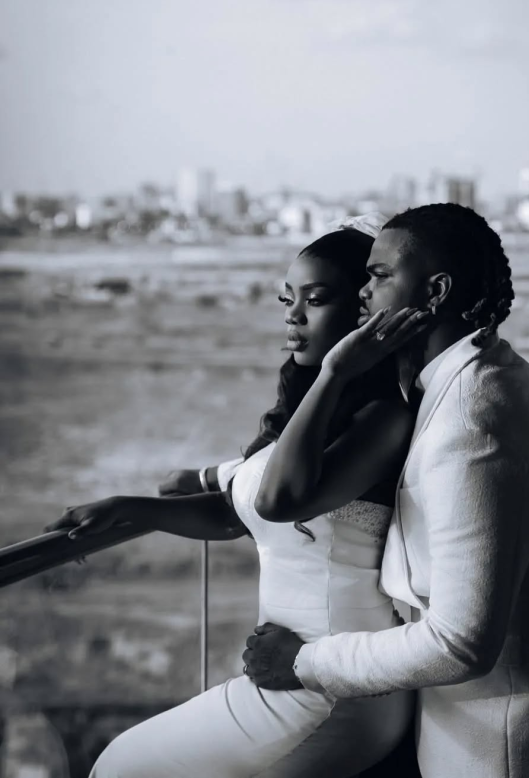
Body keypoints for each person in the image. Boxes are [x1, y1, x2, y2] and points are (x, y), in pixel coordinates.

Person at [242, 203, 529, 778]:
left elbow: (459, 642)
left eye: (379, 276)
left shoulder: (469, 422)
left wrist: (305, 661)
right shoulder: (486, 371)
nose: (362, 293)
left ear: (435, 292)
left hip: (517, 746)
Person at [45, 217, 423, 778]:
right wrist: (131, 508)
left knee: (121, 767)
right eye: (287, 299)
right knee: (123, 762)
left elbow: (280, 501)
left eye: (316, 299)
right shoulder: (310, 413)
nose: (293, 316)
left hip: (338, 684)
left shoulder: (382, 419)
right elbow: (236, 513)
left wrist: (336, 372)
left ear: (364, 310)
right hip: (285, 672)